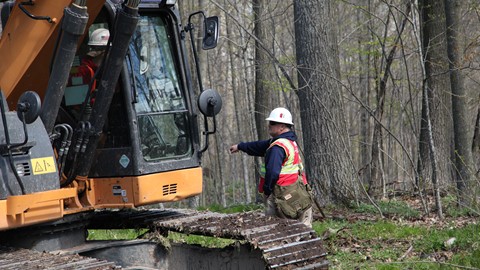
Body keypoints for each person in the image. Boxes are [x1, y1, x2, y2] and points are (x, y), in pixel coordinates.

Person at [229, 107, 313, 227]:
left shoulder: (277, 147)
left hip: (280, 194)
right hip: (298, 190)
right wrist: (240, 146)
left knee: (276, 229)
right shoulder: (288, 141)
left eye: (272, 123)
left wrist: (267, 190)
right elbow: (260, 146)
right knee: (303, 226)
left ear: (282, 127)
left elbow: (272, 172)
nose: (269, 125)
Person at [65, 28, 109, 121]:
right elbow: (77, 103)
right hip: (80, 118)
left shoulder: (89, 67)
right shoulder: (83, 71)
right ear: (103, 53)